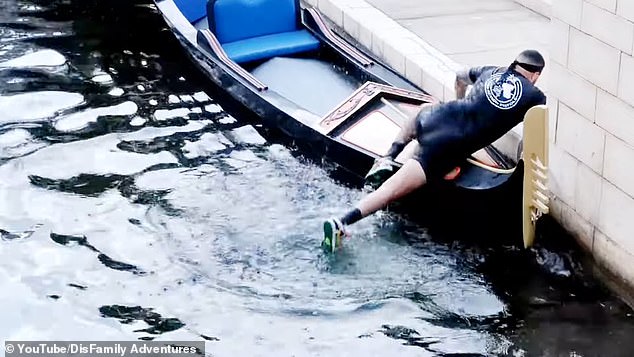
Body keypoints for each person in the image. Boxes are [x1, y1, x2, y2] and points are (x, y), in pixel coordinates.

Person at [322, 49, 547, 253]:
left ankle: (388, 157)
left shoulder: (491, 71)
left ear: (514, 64)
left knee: (423, 110)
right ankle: (341, 222)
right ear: (536, 76)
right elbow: (534, 130)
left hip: (439, 116)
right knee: (388, 191)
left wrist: (460, 103)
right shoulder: (536, 96)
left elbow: (460, 76)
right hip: (449, 144)